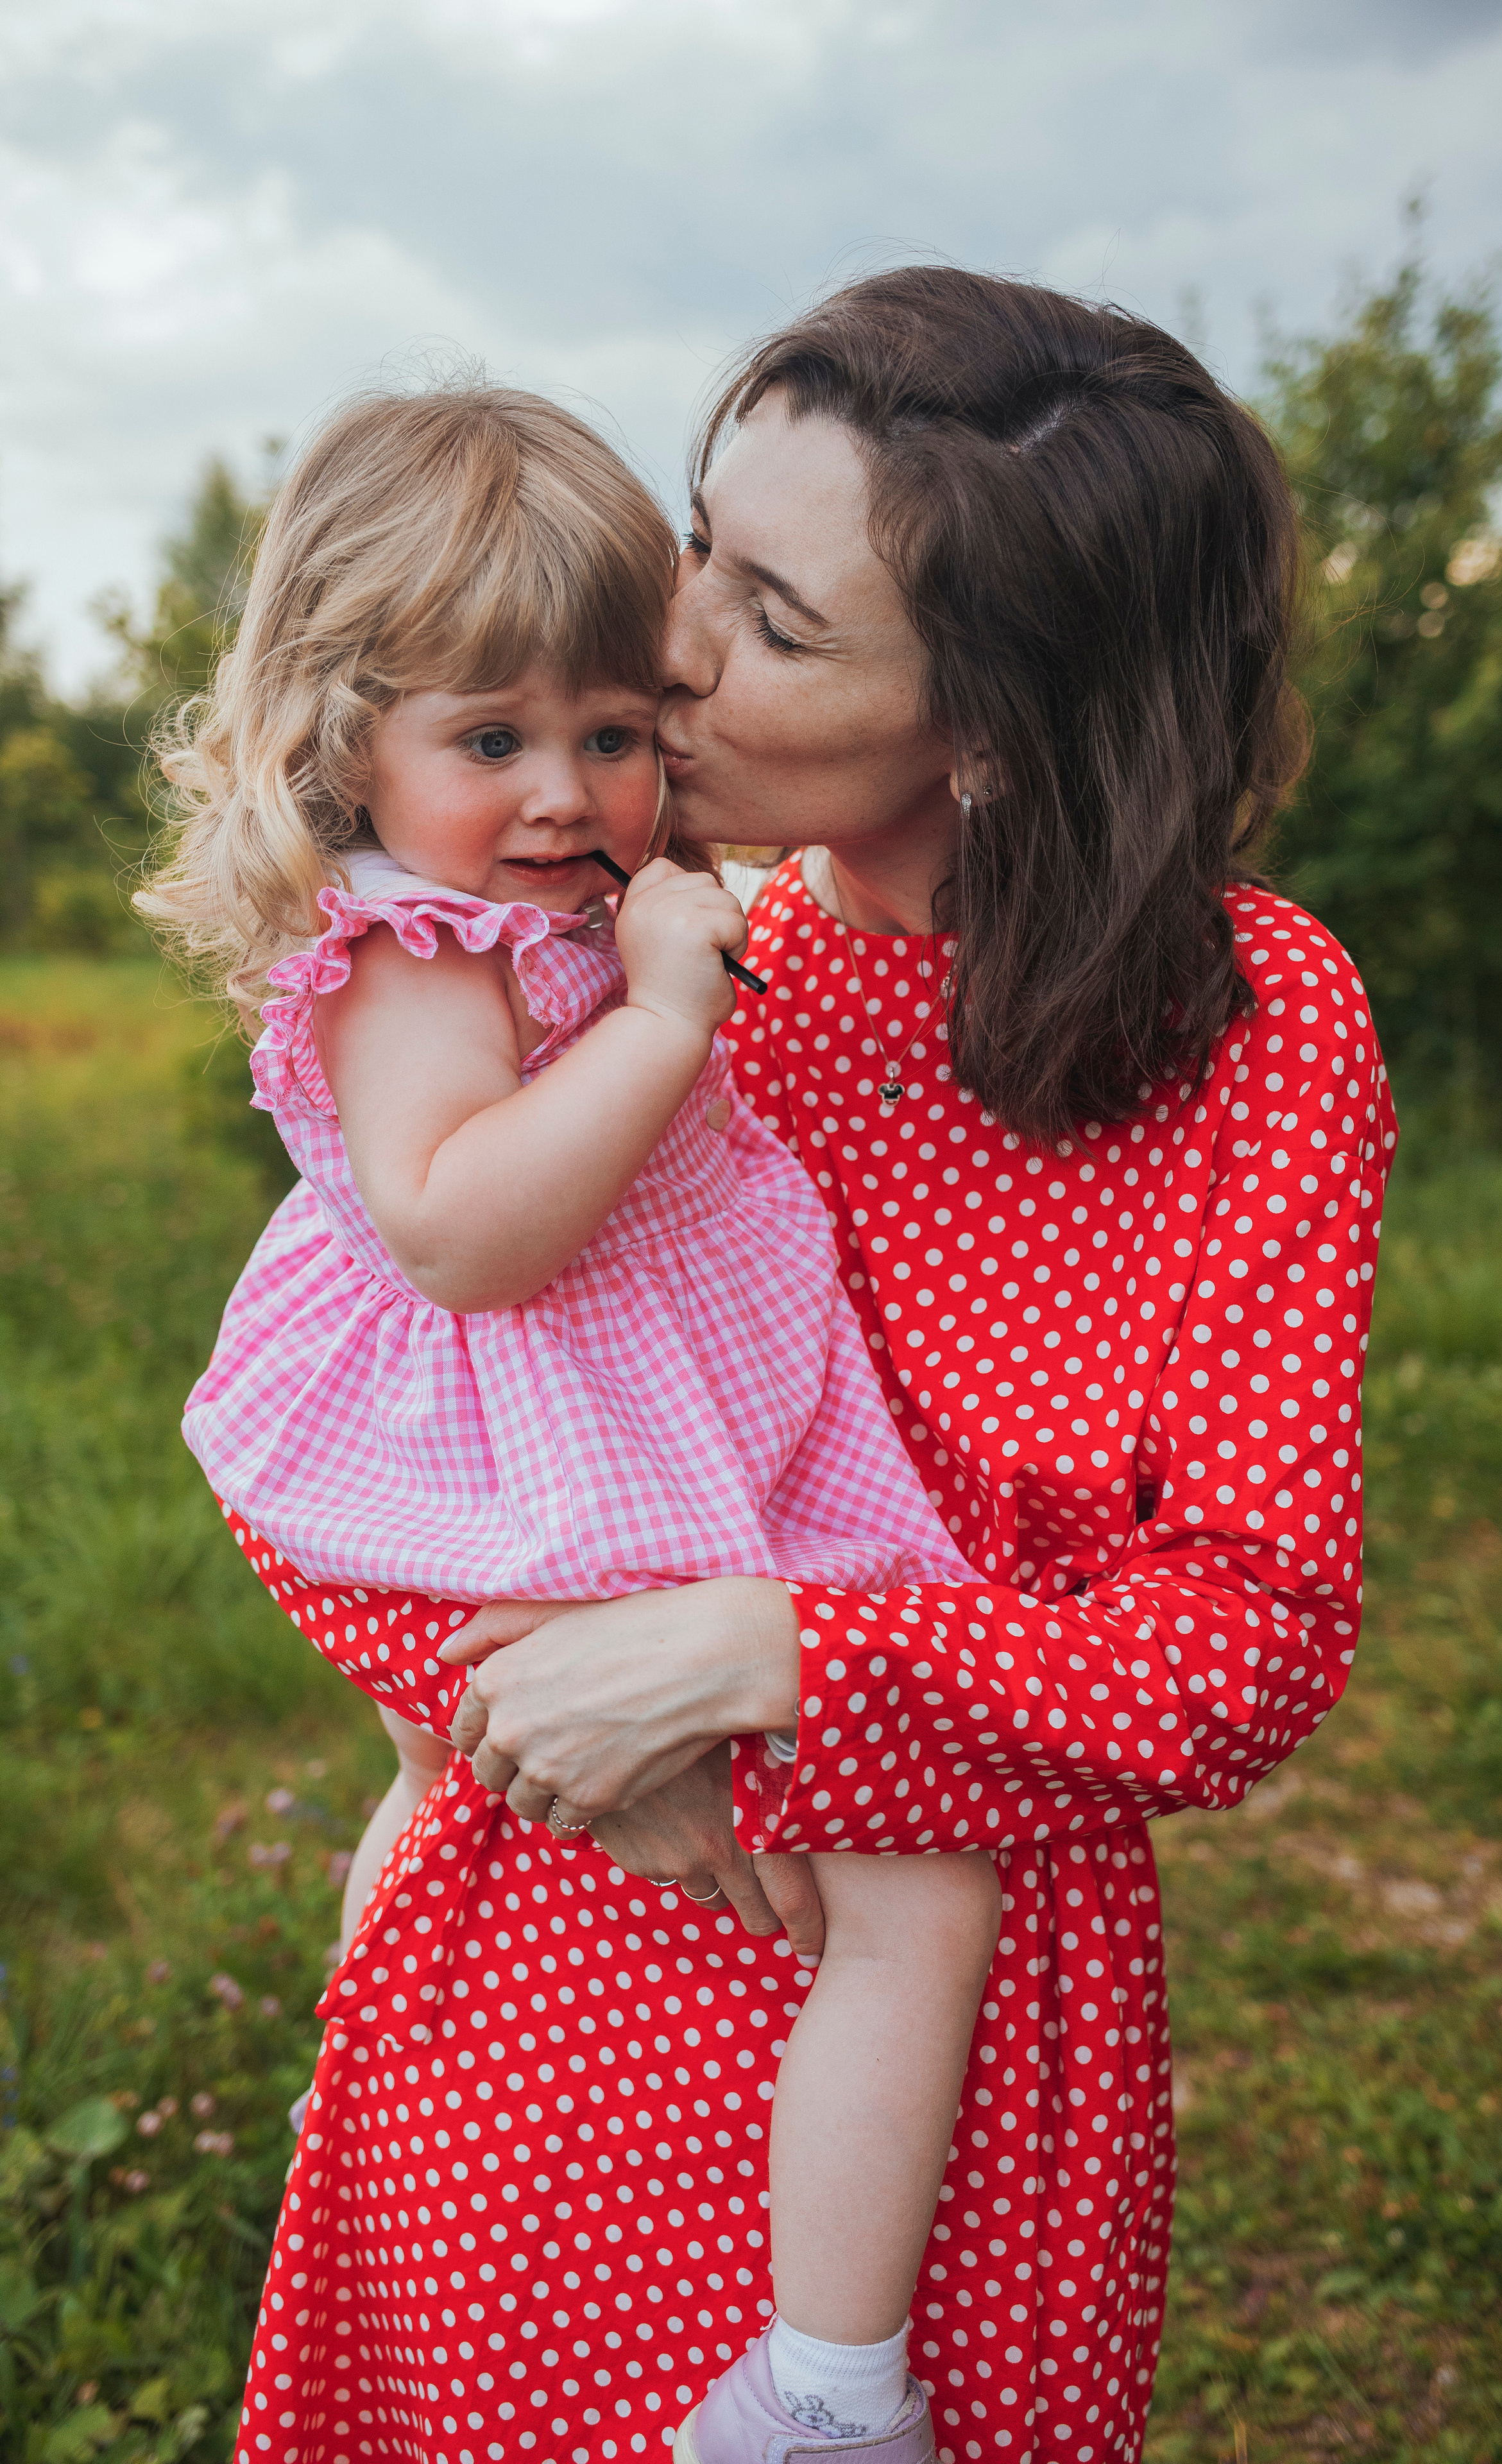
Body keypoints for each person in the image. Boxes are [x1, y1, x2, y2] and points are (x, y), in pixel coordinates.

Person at [441, 268, 1399, 2462]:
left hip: (932, 2048)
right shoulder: (623, 963)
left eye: (777, 621)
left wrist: (760, 1656)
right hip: (562, 1917)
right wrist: (523, 1714)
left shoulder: (1249, 1031)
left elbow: (1236, 1651)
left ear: (994, 723)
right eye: (700, 538)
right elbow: (364, 1407)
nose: (664, 639)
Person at [139, 380, 1017, 2464]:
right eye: (491, 739)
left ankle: (745, 2319)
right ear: (345, 738)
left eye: (612, 733)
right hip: (527, 1437)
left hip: (631, 1411)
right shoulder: (415, 951)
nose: (564, 793)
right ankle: (828, 2386)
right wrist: (668, 1018)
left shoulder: (549, 911)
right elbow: (462, 1234)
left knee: (479, 1797)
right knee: (905, 1875)